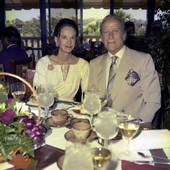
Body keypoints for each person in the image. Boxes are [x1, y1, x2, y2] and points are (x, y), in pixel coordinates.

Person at [88, 15, 161, 123]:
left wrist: (137, 124)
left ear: (124, 34)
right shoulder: (94, 64)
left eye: (115, 31)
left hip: (129, 127)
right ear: (102, 37)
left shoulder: (143, 60)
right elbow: (91, 98)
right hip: (101, 125)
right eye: (106, 32)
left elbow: (153, 101)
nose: (110, 36)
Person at [33, 18, 89, 102]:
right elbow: (39, 96)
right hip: (48, 110)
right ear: (56, 40)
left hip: (71, 111)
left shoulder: (82, 64)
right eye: (64, 37)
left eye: (72, 38)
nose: (69, 42)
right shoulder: (43, 63)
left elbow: (87, 94)